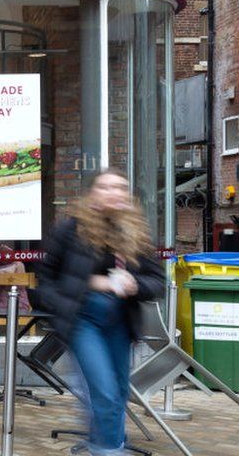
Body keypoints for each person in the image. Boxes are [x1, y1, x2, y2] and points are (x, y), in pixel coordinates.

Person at [35, 169, 164, 456]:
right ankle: (109, 449)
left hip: (120, 321)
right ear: (93, 194)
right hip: (83, 320)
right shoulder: (70, 229)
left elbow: (158, 283)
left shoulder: (136, 233)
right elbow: (45, 280)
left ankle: (109, 443)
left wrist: (135, 285)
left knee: (118, 391)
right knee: (103, 390)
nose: (114, 192)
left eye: (121, 187)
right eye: (106, 187)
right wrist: (88, 286)